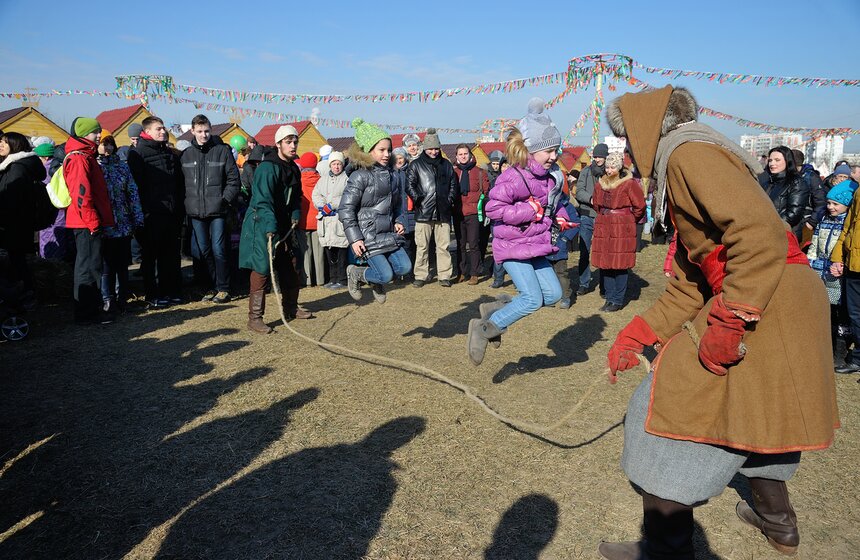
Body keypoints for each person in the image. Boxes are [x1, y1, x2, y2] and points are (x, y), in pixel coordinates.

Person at [601, 85, 838, 559]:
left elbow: (759, 235)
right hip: (774, 297)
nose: (626, 150)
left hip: (765, 298)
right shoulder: (686, 157)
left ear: (648, 130)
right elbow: (692, 282)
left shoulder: (690, 153)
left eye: (627, 138)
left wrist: (730, 322)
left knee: (667, 412)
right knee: (756, 408)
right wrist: (638, 333)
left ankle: (665, 549)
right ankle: (779, 524)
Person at [467, 98, 574, 366]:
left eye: (556, 150)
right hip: (513, 246)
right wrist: (530, 210)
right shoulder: (514, 177)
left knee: (553, 294)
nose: (554, 156)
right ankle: (483, 329)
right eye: (549, 151)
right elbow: (493, 208)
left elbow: (554, 203)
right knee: (531, 298)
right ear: (532, 150)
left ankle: (496, 308)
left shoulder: (550, 177)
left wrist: (560, 217)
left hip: (535, 245)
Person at [239, 124, 312, 334]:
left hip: (284, 223)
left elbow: (296, 197)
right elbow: (262, 200)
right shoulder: (267, 168)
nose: (293, 145)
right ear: (279, 144)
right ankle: (255, 318)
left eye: (295, 141)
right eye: (288, 142)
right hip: (262, 222)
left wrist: (296, 213)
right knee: (262, 268)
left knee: (292, 263)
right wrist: (270, 225)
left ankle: (290, 307)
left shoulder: (293, 168)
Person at [340, 119, 411, 303]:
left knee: (404, 267)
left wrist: (400, 220)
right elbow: (346, 209)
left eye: (389, 150)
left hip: (388, 233)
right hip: (367, 235)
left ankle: (375, 279)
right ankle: (356, 273)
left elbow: (398, 204)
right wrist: (355, 239)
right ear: (368, 151)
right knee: (386, 276)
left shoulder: (393, 175)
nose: (387, 154)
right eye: (381, 150)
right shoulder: (359, 176)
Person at [180, 114, 241, 303]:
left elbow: (233, 180)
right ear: (192, 131)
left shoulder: (222, 151)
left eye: (206, 131)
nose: (204, 135)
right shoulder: (186, 155)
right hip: (195, 211)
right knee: (203, 251)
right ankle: (210, 286)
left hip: (218, 211)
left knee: (219, 249)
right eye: (199, 131)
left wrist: (224, 200)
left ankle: (223, 287)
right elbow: (181, 184)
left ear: (211, 130)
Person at [127, 115, 185, 308]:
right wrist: (143, 213)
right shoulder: (138, 154)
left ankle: (173, 291)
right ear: (148, 131)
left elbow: (178, 184)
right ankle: (153, 294)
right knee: (152, 257)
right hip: (151, 213)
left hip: (172, 212)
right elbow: (136, 187)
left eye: (164, 128)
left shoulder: (169, 153)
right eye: (159, 129)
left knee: (171, 255)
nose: (163, 131)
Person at [62, 119, 116, 324]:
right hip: (85, 222)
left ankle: (90, 310)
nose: (99, 136)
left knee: (91, 266)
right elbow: (81, 195)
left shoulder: (86, 155)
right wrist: (94, 222)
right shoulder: (79, 159)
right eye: (95, 132)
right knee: (88, 268)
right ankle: (87, 314)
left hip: (87, 220)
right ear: (84, 134)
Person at [590, 151, 646, 312]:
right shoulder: (600, 183)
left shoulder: (629, 184)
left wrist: (627, 219)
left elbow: (640, 206)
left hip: (621, 226)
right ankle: (609, 297)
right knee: (606, 264)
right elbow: (596, 204)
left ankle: (617, 300)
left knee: (619, 264)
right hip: (604, 225)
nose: (608, 170)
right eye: (607, 167)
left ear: (619, 167)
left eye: (612, 167)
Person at [406, 128, 457, 287]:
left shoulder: (446, 165)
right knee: (422, 247)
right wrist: (418, 199)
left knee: (444, 247)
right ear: (425, 148)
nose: (434, 151)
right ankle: (421, 275)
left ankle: (444, 275)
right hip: (423, 212)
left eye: (436, 148)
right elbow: (409, 185)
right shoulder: (415, 165)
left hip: (443, 212)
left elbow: (453, 185)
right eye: (430, 149)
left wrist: (449, 200)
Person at [809, 180, 852, 368]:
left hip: (837, 273)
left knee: (839, 313)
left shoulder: (847, 223)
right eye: (828, 203)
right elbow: (815, 242)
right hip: (820, 269)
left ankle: (839, 353)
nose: (830, 207)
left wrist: (841, 264)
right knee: (822, 310)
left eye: (835, 204)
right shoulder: (824, 219)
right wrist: (810, 261)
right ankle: (823, 349)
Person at [0, 132, 48, 302]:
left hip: (15, 222)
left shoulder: (17, 168)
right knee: (18, 259)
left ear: (16, 145)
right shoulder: (24, 164)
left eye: (5, 142)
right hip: (22, 222)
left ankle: (25, 294)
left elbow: (12, 198)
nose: (1, 145)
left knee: (17, 260)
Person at [574, 143, 608, 296]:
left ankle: (604, 285)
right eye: (595, 156)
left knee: (603, 252)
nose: (597, 159)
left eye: (600, 156)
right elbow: (579, 191)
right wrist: (591, 199)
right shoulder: (586, 172)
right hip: (587, 215)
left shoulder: (610, 172)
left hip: (604, 217)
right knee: (584, 251)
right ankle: (583, 283)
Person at [312, 151, 349, 289]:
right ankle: (332, 278)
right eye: (334, 164)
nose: (337, 166)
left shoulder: (347, 179)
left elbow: (348, 196)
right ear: (330, 165)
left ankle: (342, 279)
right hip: (326, 222)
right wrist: (322, 205)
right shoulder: (323, 179)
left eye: (339, 164)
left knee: (341, 251)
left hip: (339, 220)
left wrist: (332, 205)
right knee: (329, 251)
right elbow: (316, 194)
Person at [452, 144, 489, 285]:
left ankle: (475, 273)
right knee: (460, 245)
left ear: (470, 155)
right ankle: (461, 272)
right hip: (457, 213)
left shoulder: (480, 172)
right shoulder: (453, 172)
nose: (463, 156)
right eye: (460, 154)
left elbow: (486, 192)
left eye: (465, 154)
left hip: (473, 213)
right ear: (456, 156)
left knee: (473, 244)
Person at [758, 146, 810, 240]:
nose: (772, 163)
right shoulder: (767, 182)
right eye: (770, 160)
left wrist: (771, 225)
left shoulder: (797, 182)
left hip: (785, 235)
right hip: (764, 232)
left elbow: (793, 214)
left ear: (787, 161)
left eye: (777, 160)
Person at [296, 151, 326, 287]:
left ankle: (307, 280)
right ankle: (320, 279)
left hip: (303, 221)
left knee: (305, 252)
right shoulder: (321, 180)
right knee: (319, 253)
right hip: (318, 220)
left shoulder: (298, 181)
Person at [546, 195, 580, 309]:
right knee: (548, 273)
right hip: (545, 245)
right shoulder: (544, 204)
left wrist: (565, 239)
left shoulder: (567, 206)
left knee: (561, 273)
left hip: (560, 245)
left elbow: (576, 224)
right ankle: (551, 297)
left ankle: (566, 297)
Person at [391, 147, 416, 272]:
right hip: (396, 212)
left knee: (410, 244)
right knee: (397, 244)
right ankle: (399, 270)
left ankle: (409, 271)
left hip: (410, 211)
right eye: (396, 158)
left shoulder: (411, 171)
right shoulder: (390, 173)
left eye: (401, 158)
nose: (399, 160)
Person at [792, 148, 825, 238]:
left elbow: (821, 202)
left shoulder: (811, 177)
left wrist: (811, 222)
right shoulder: (788, 175)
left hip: (805, 222)